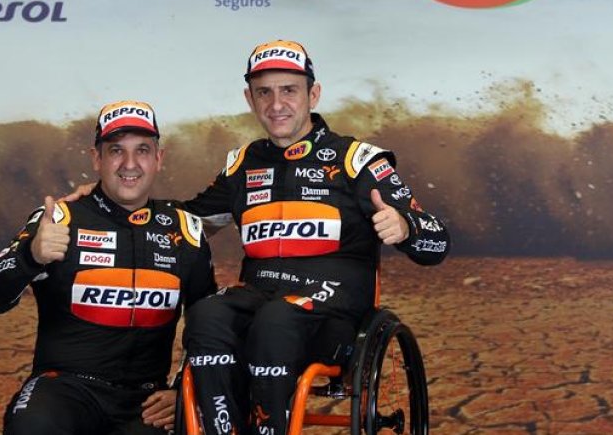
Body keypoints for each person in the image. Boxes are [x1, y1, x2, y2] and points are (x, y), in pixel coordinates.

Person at [180, 40, 451, 435]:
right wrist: (103, 205)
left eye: (289, 90)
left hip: (332, 316)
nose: (276, 104)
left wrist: (406, 228)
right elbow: (184, 221)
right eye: (264, 92)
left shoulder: (356, 160)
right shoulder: (242, 164)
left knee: (276, 320)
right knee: (206, 315)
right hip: (258, 304)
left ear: (313, 93)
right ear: (250, 99)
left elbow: (438, 243)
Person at [0, 100, 216, 434]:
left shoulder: (185, 231)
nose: (129, 164)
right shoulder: (60, 218)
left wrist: (181, 389)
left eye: (143, 150)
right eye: (116, 150)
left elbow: (209, 329)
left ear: (158, 159)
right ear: (96, 159)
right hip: (65, 390)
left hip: (146, 404)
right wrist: (31, 257)